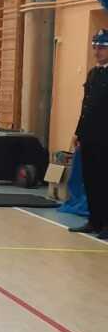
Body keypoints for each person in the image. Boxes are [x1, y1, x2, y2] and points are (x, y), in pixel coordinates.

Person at [70, 30, 108, 239]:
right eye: (95, 47)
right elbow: (86, 107)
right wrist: (78, 132)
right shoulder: (93, 74)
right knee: (91, 179)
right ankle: (95, 221)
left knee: (105, 180)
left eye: (102, 47)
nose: (97, 51)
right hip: (90, 137)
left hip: (105, 137)